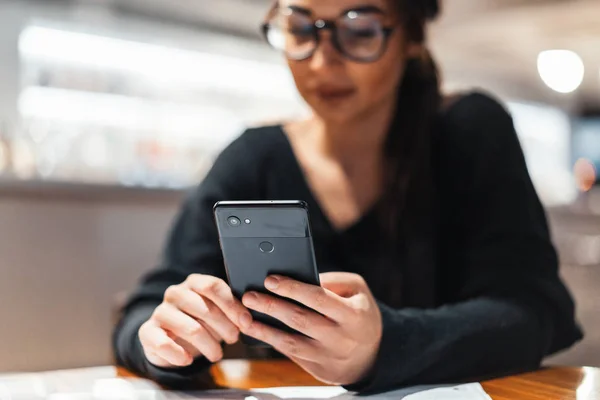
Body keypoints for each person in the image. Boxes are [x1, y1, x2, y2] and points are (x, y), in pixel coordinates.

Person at [113, 0, 582, 393]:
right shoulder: (253, 158)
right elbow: (143, 313)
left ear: (412, 38)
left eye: (359, 31)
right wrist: (165, 340)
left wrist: (385, 346)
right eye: (300, 29)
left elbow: (532, 312)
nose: (322, 61)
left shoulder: (470, 132)